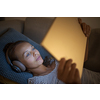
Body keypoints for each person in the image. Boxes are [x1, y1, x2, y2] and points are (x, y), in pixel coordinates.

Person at [3, 18, 100, 84]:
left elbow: (82, 60)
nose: (35, 52)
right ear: (20, 66)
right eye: (27, 54)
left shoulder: (53, 60)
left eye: (32, 48)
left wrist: (84, 36)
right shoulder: (38, 83)